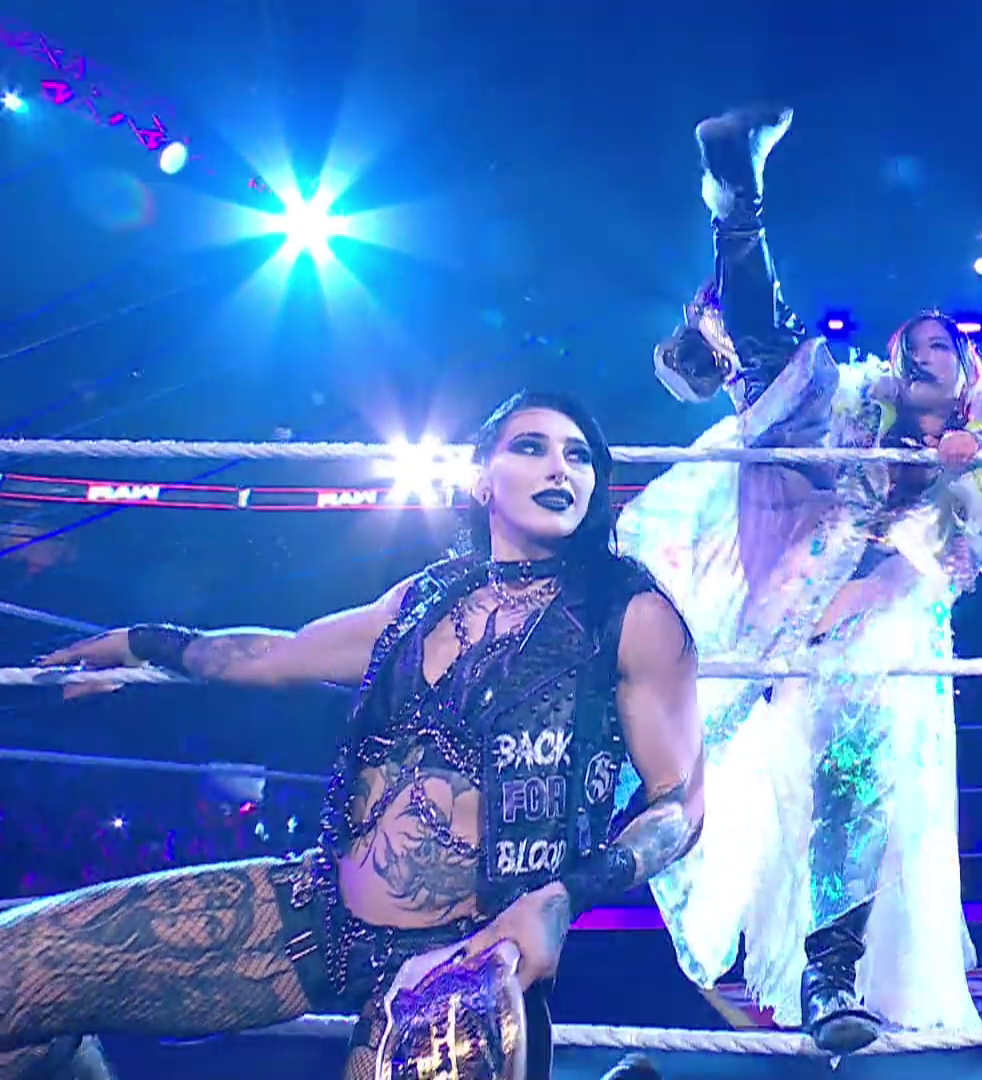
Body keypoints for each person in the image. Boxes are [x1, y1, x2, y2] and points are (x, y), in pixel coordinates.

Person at [1, 391, 704, 1080]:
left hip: (468, 962)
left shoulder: (628, 614)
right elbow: (278, 653)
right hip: (321, 914)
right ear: (480, 479)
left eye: (579, 457)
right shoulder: (426, 596)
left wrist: (565, 897)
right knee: (16, 973)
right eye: (531, 447)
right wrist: (143, 641)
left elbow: (681, 804)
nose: (560, 469)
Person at [621, 103, 982, 1054]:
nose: (919, 357)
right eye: (908, 348)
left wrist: (967, 469)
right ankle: (736, 207)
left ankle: (832, 975)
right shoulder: (861, 408)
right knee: (785, 374)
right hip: (793, 599)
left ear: (971, 364)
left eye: (939, 345)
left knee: (848, 782)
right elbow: (801, 424)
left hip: (887, 635)